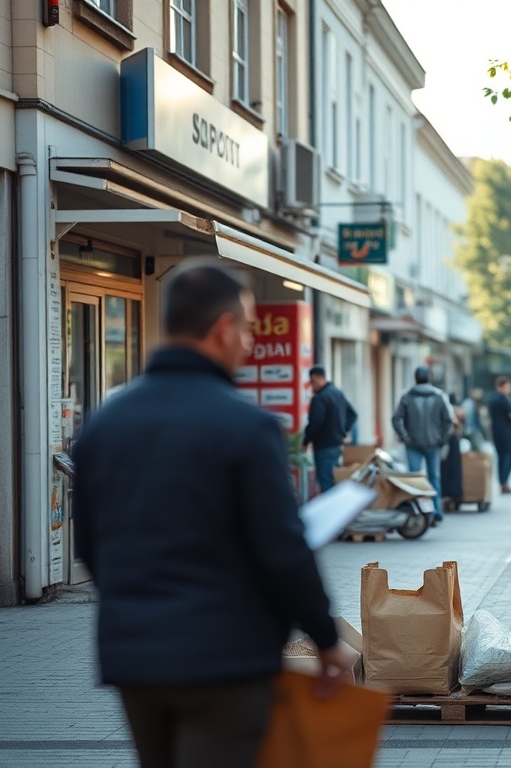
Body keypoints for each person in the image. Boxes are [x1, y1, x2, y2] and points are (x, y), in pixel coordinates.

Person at [71, 261, 348, 768]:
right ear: (223, 329)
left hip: (134, 660)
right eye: (245, 327)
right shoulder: (246, 426)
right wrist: (325, 639)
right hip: (224, 660)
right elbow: (282, 550)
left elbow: (89, 546)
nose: (247, 341)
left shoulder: (104, 424)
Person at [392, 365, 455, 525]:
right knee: (434, 477)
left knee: (414, 478)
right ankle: (436, 511)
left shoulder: (407, 396)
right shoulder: (439, 396)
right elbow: (449, 420)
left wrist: (404, 436)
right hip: (433, 444)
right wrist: (442, 439)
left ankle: (420, 511)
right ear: (429, 378)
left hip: (412, 443)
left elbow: (396, 418)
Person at [303, 366, 357, 494]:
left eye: (313, 382)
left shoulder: (320, 398)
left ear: (320, 378)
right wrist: (342, 431)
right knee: (335, 480)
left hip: (324, 446)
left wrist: (306, 440)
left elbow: (315, 422)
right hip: (337, 445)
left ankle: (330, 513)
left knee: (326, 482)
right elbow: (352, 415)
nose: (312, 386)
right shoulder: (337, 393)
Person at [488, 376, 511, 494]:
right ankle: (504, 482)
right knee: (509, 456)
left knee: (501, 457)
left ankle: (503, 482)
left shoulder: (493, 399)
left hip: (497, 432)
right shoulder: (503, 400)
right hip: (507, 433)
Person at [440, 394, 466, 510]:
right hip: (451, 441)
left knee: (444, 469)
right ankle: (453, 496)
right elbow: (458, 425)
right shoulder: (457, 411)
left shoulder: (441, 408)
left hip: (442, 442)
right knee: (454, 469)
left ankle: (445, 495)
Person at [460, 387, 489, 451]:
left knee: (477, 449)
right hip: (469, 430)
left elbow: (484, 421)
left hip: (478, 431)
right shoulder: (467, 403)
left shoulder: (480, 405)